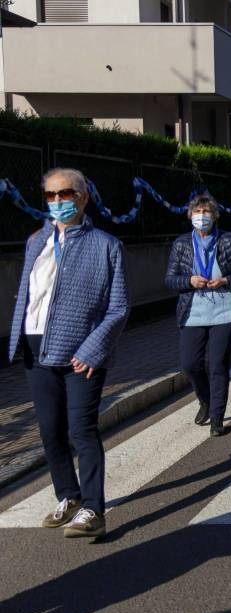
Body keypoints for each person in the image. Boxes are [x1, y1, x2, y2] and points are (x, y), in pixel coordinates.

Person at [9, 168, 128, 538]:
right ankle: (69, 496)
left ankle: (94, 508)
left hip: (82, 353)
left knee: (82, 430)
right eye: (51, 195)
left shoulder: (106, 245)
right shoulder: (35, 242)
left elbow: (119, 307)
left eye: (66, 194)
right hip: (36, 348)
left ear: (84, 197)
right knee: (49, 431)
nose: (58, 201)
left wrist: (94, 349)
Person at [165, 193, 231, 438]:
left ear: (215, 216)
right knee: (190, 364)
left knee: (217, 365)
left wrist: (227, 279)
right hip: (193, 311)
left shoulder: (228, 240)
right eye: (197, 213)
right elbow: (170, 280)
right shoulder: (182, 244)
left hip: (225, 310)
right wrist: (190, 280)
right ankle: (204, 400)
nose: (202, 217)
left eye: (206, 213)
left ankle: (217, 417)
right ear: (190, 216)